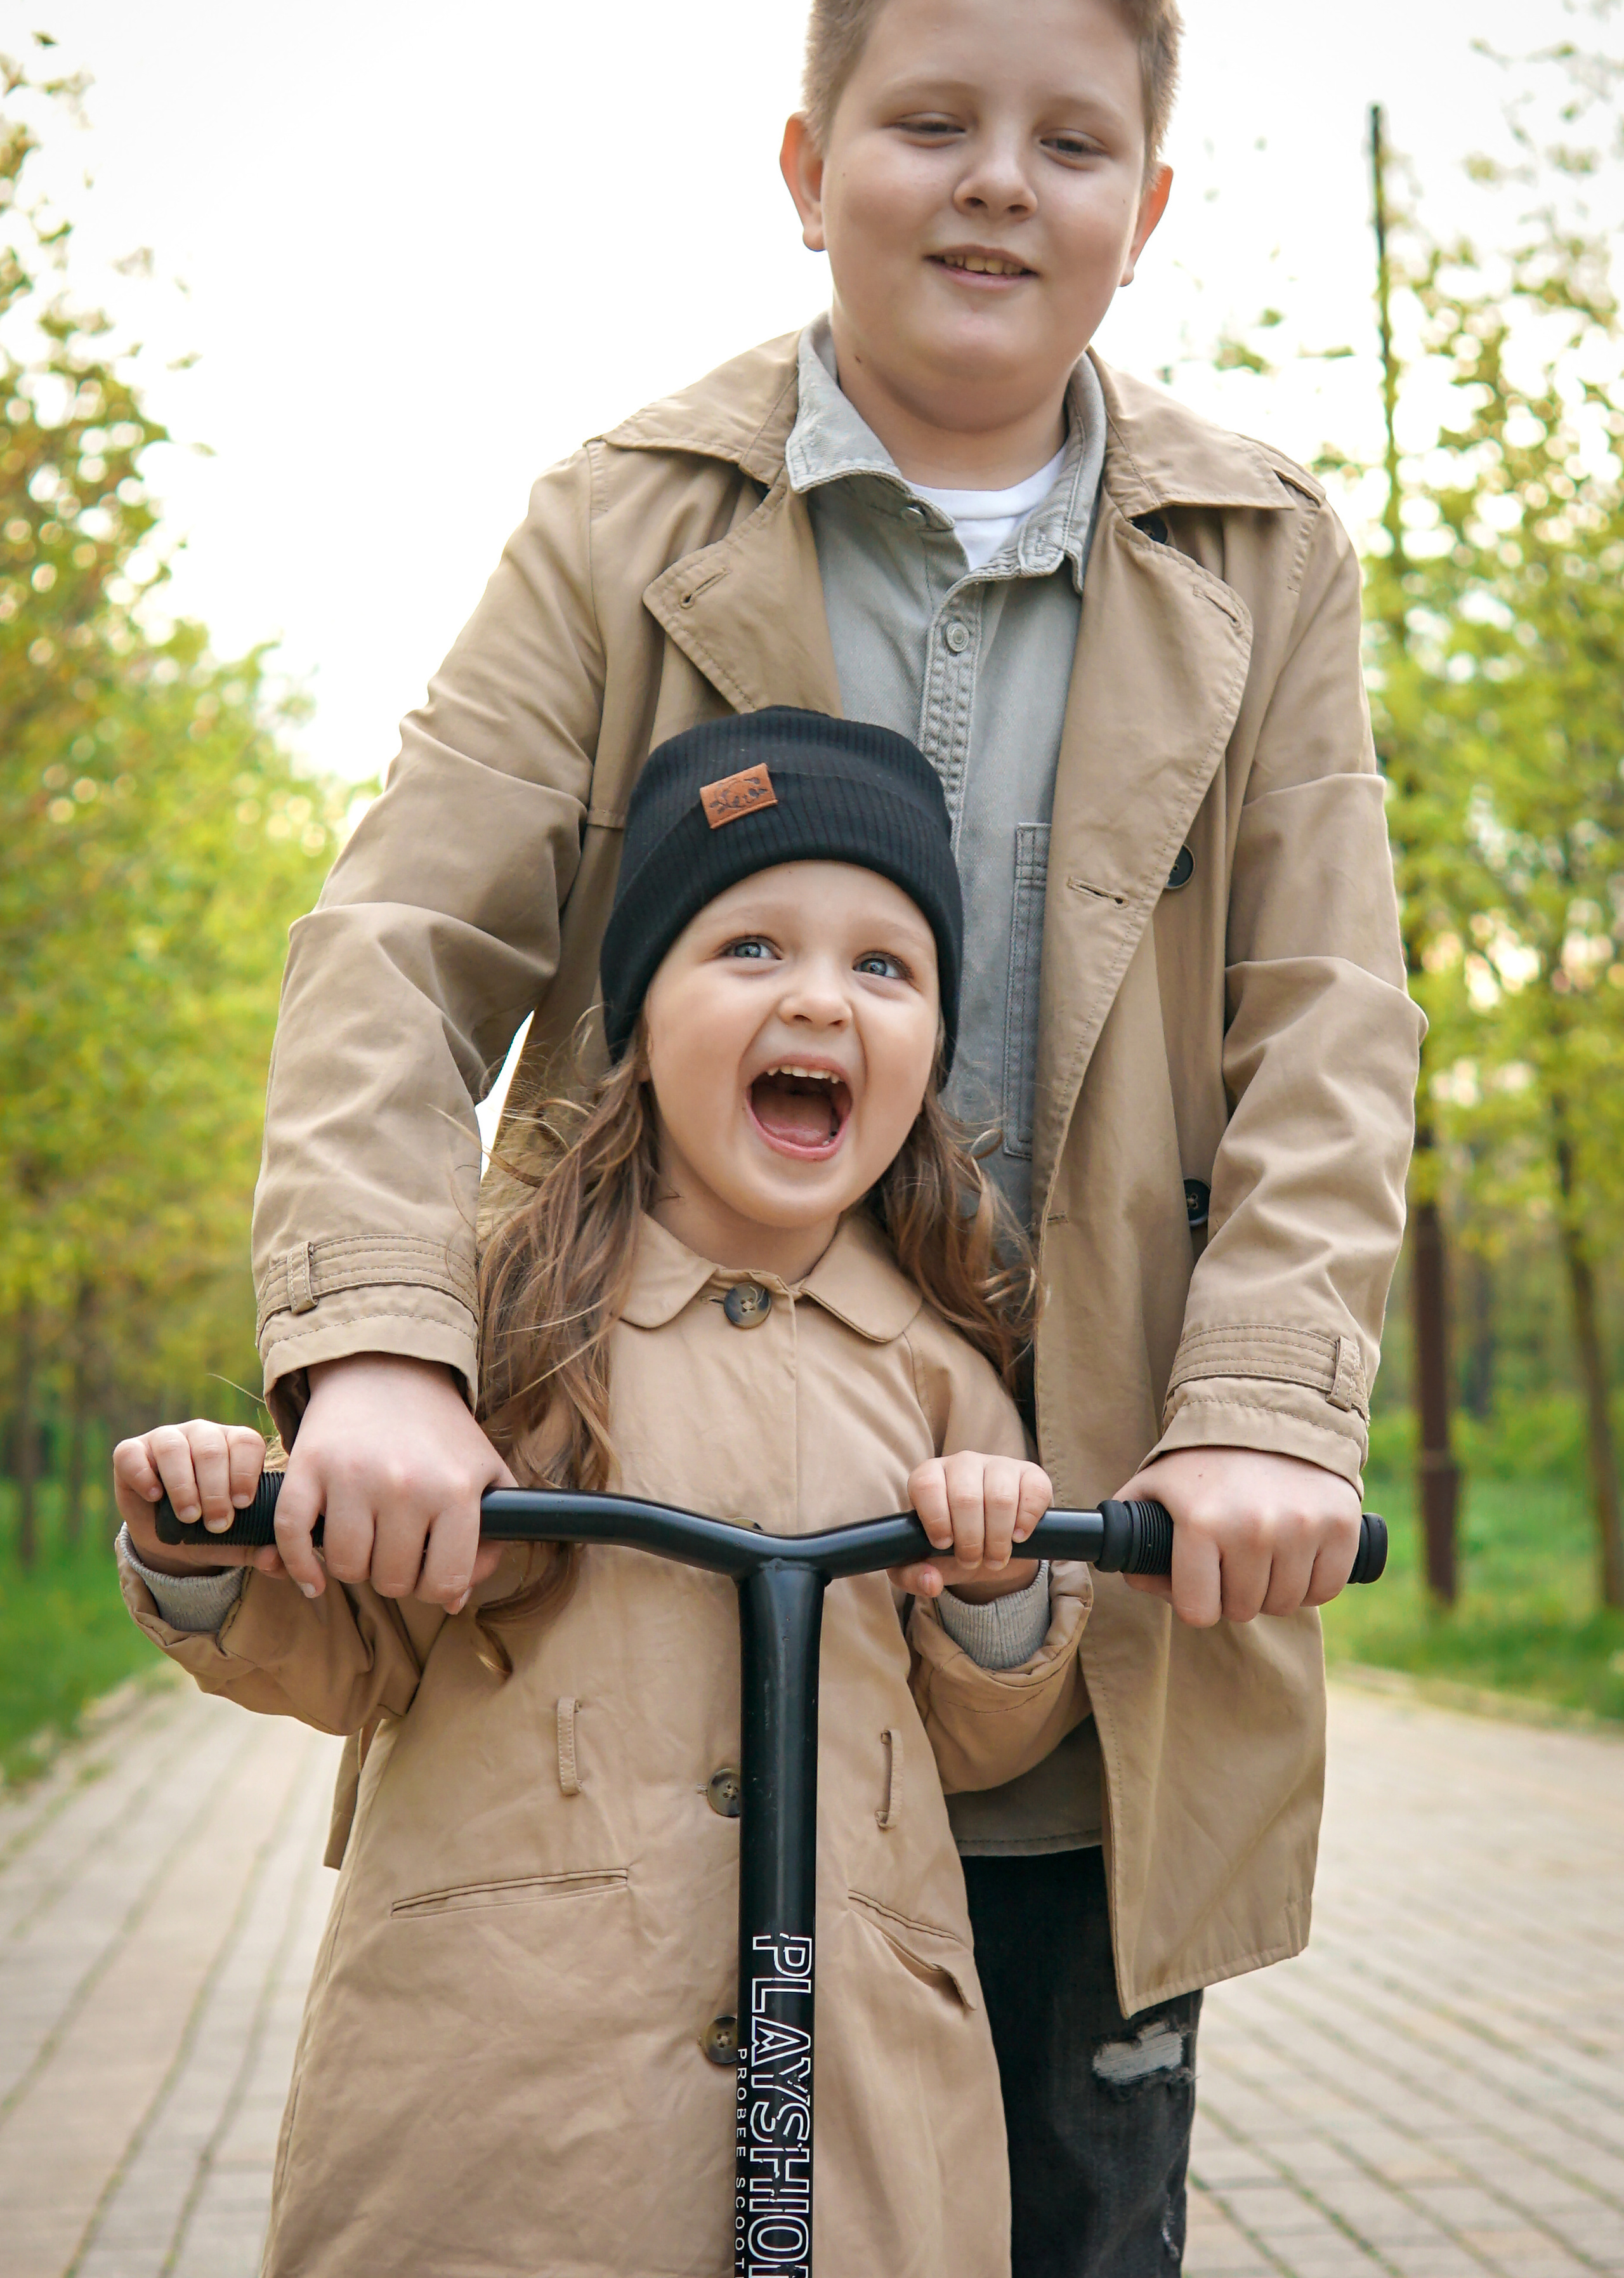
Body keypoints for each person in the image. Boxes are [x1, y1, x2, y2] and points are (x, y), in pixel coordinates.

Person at [193, 0, 1422, 2269]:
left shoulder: (1264, 556)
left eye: (1071, 141)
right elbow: (398, 945)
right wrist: (379, 1354)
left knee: (1060, 2199)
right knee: (599, 2170)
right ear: (805, 164)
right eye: (930, 120)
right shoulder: (623, 517)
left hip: (1092, 1567)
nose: (998, 180)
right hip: (662, 1545)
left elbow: (1327, 1018)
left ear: (1147, 208)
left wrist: (1261, 1416)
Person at [115, 712, 1092, 2278]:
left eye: (883, 965)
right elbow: (357, 1654)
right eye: (751, 946)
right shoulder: (499, 1331)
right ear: (636, 1019)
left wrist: (996, 1584)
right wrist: (211, 1554)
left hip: (845, 2102)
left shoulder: (944, 1367)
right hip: (512, 2095)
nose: (817, 998)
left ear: (927, 1046)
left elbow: (979, 1743)